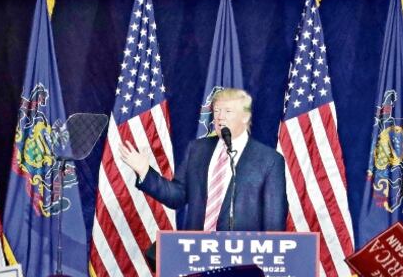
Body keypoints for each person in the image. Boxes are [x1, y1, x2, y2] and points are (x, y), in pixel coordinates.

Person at [119, 88, 287, 232]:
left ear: (245, 117)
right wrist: (145, 171)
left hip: (244, 258)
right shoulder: (197, 150)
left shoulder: (269, 160)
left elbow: (274, 222)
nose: (220, 117)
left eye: (228, 111)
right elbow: (177, 196)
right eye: (217, 111)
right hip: (197, 253)